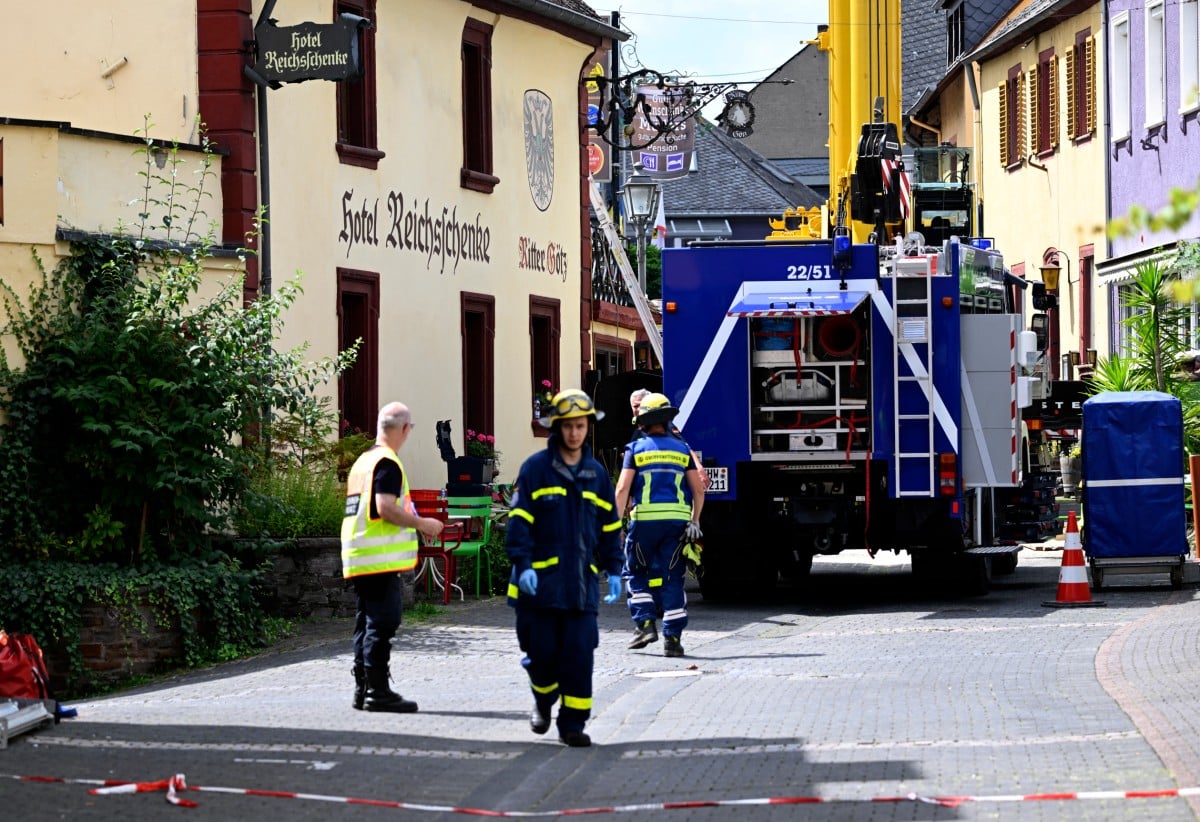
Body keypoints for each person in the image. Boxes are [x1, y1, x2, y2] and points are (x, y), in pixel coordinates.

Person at [506, 388, 624, 747]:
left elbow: (609, 525)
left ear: (588, 427)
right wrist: (523, 564)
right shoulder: (535, 470)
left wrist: (615, 568)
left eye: (581, 426)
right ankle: (543, 700)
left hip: (579, 587)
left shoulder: (596, 474)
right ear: (556, 428)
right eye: (568, 426)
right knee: (541, 657)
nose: (575, 433)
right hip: (538, 588)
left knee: (578, 656)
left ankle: (573, 725)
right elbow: (519, 522)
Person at [341, 402, 445, 713]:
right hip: (378, 557)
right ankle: (377, 691)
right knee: (384, 620)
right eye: (410, 429)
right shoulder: (387, 463)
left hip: (360, 553)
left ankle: (363, 688)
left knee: (366, 620)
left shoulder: (364, 461)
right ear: (403, 428)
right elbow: (385, 507)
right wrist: (423, 523)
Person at [614, 393, 705, 658]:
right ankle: (673, 640)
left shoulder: (635, 450)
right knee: (673, 578)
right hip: (677, 523)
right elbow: (698, 490)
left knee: (635, 571)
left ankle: (644, 624)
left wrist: (614, 524)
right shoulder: (680, 450)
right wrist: (695, 520)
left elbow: (622, 489)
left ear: (642, 422)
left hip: (644, 523)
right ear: (667, 420)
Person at [629, 388, 711, 490]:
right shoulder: (637, 432)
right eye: (635, 406)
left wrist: (698, 468)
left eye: (640, 405)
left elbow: (685, 447)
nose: (637, 409)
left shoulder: (664, 427)